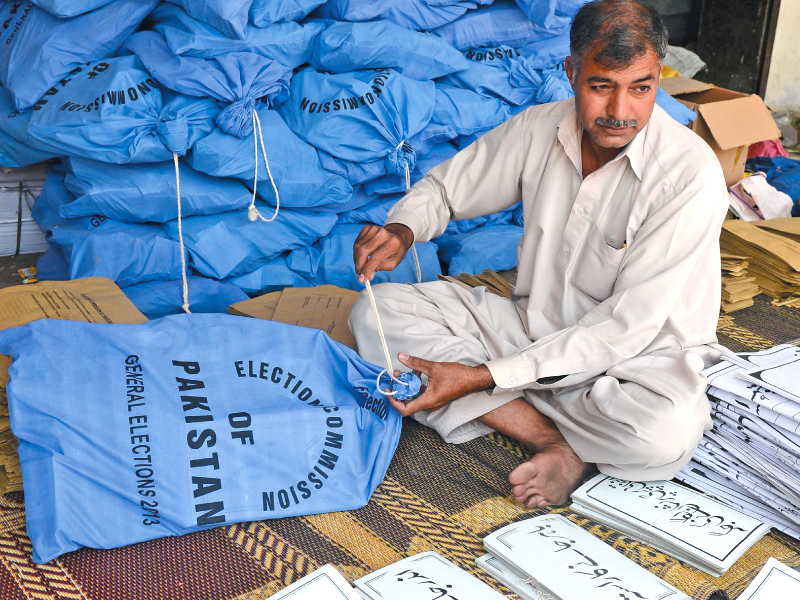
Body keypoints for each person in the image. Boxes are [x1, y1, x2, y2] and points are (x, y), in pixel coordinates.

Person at [349, 0, 729, 509]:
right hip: (533, 329)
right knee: (379, 315)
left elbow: (624, 329)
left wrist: (483, 376)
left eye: (640, 87)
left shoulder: (689, 174)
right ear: (570, 72)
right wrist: (402, 228)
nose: (620, 111)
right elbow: (447, 189)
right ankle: (555, 441)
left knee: (663, 436)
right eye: (601, 86)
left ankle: (506, 402)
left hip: (633, 364)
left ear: (658, 76)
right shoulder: (539, 128)